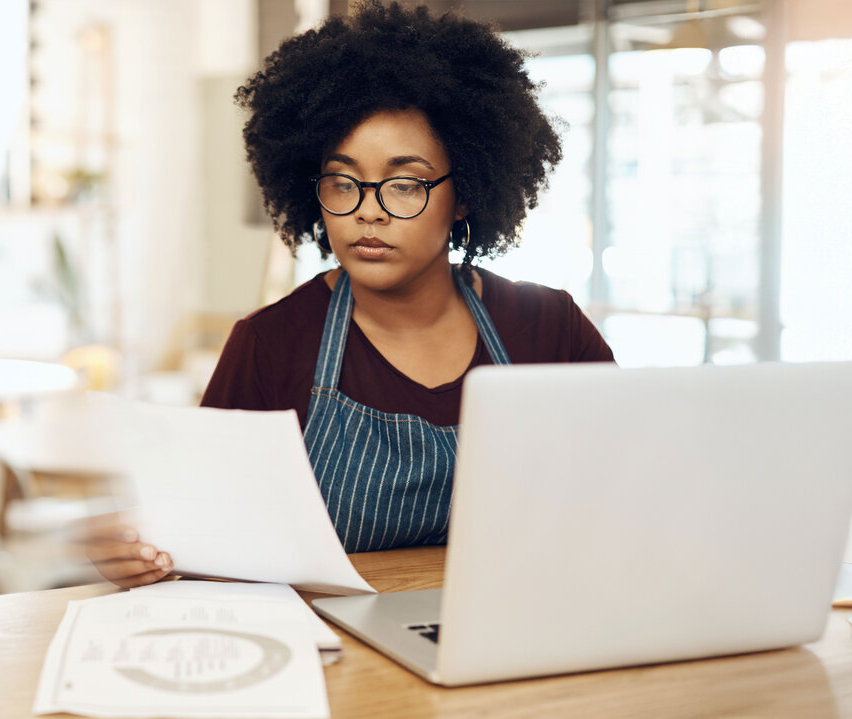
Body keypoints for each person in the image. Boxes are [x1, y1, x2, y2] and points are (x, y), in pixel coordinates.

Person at [87, 0, 614, 588]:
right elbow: (209, 545)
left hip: (522, 638)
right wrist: (146, 553)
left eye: (405, 183)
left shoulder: (550, 328)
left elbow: (626, 499)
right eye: (343, 182)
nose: (367, 211)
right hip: (340, 660)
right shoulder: (271, 344)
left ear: (463, 194)